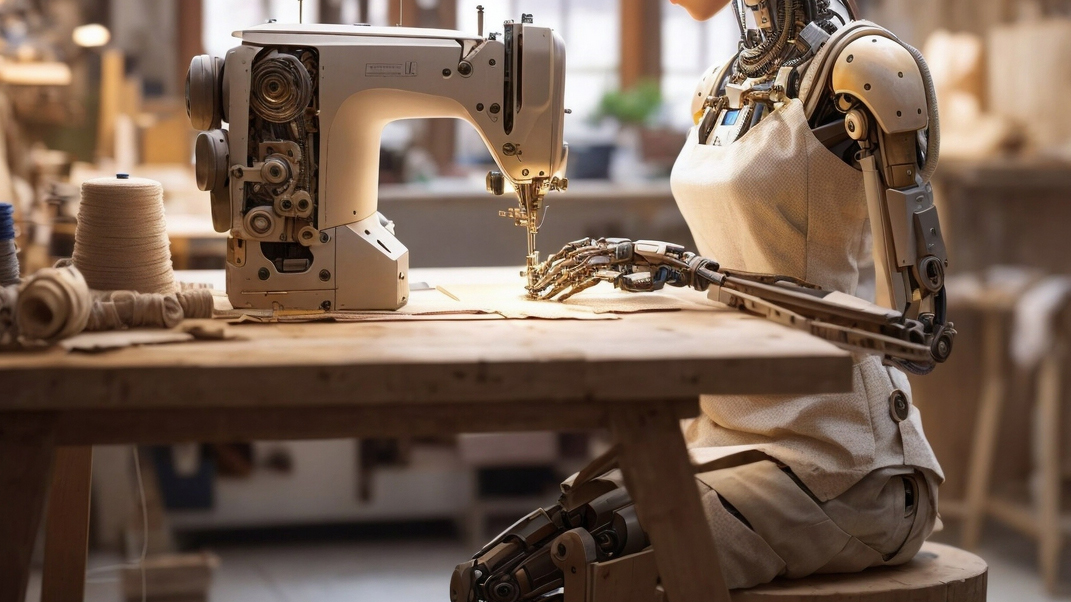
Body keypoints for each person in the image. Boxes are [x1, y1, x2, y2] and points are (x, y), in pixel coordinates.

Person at [454, 0, 946, 598]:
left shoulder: (869, 72)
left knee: (575, 581)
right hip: (719, 433)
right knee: (494, 576)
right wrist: (660, 264)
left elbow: (915, 329)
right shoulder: (720, 89)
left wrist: (684, 268)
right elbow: (734, 261)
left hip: (843, 465)